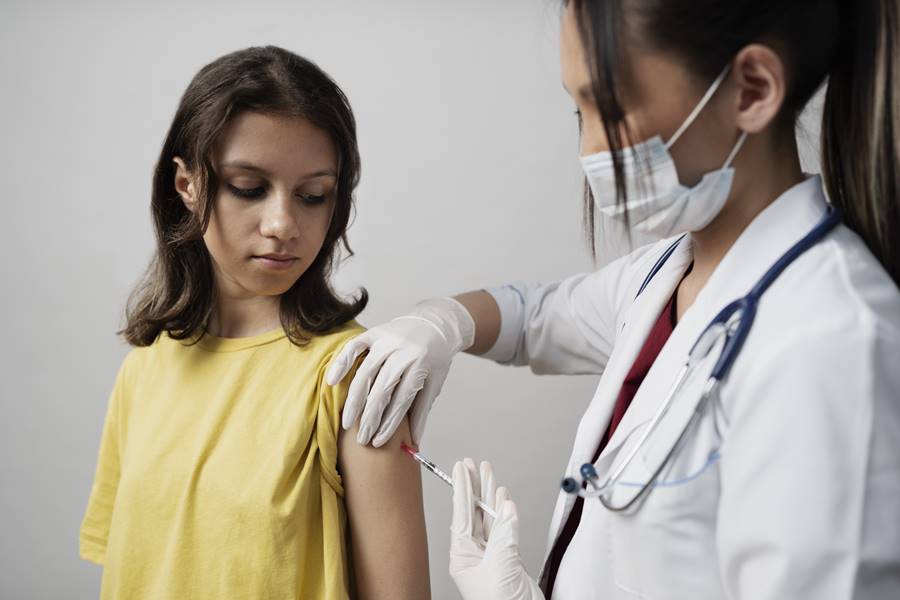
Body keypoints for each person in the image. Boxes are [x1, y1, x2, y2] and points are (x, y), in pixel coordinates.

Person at [326, 1, 900, 598]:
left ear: (752, 90)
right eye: (582, 112)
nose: (589, 152)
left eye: (614, 108)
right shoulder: (664, 273)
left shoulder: (832, 340)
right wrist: (441, 323)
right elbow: (533, 315)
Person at [79, 46, 430, 600]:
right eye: (249, 188)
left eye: (313, 196)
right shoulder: (143, 371)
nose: (283, 224)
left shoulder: (354, 376)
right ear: (187, 185)